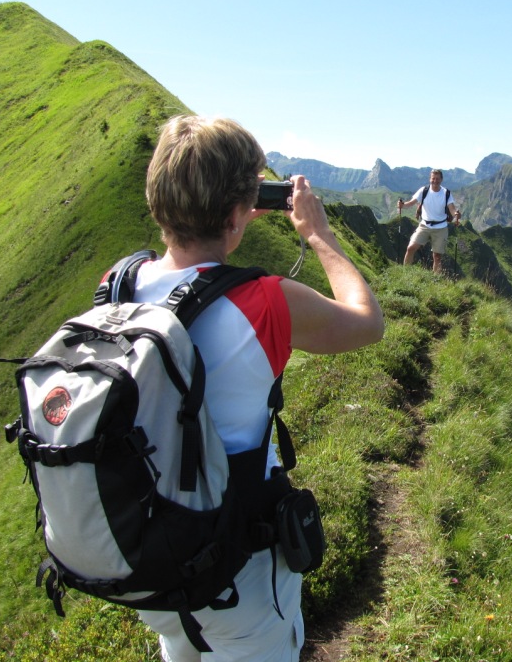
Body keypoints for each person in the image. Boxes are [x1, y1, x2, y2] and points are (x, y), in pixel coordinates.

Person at [134, 115, 384, 661]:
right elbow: (367, 322)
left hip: (153, 559)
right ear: (236, 215)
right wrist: (318, 234)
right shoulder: (263, 302)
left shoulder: (120, 284)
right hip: (238, 572)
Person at [398, 169, 461, 274]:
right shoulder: (423, 191)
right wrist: (402, 205)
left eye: (437, 179)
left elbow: (452, 209)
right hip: (424, 225)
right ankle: (406, 274)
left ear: (441, 179)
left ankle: (436, 280)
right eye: (433, 178)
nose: (435, 181)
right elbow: (410, 203)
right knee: (410, 248)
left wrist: (456, 215)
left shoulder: (446, 193)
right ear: (430, 179)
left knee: (437, 257)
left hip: (440, 227)